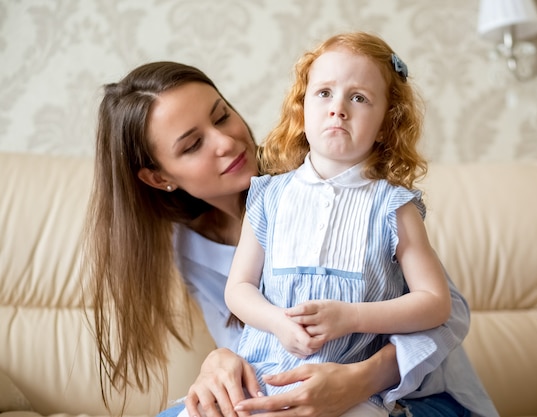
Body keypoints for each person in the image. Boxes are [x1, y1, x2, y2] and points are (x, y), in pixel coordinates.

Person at [84, 56, 499, 417]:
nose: (227, 142)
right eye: (193, 145)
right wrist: (221, 360)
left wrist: (359, 379)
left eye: (221, 115)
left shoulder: (325, 176)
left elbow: (449, 312)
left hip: (415, 392)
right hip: (292, 386)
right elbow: (260, 340)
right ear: (158, 177)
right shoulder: (189, 247)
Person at [223, 32, 452, 417]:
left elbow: (435, 303)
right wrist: (278, 322)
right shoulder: (267, 196)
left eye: (359, 98)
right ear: (302, 107)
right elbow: (239, 288)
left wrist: (354, 317)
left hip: (350, 390)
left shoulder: (393, 206)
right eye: (324, 93)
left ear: (385, 124)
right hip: (262, 377)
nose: (338, 109)